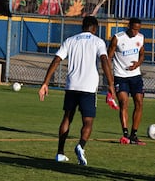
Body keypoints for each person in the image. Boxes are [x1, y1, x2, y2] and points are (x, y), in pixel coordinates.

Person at [38, 16, 115, 166]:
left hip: (72, 86)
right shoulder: (98, 42)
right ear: (95, 28)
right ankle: (81, 146)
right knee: (88, 121)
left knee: (67, 117)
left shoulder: (70, 40)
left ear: (82, 27)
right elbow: (105, 60)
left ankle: (60, 153)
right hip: (88, 88)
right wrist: (111, 84)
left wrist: (45, 83)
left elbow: (56, 60)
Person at [107, 18, 145, 145]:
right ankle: (125, 134)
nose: (135, 32)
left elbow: (142, 54)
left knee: (139, 102)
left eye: (138, 29)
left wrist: (138, 64)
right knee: (124, 103)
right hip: (120, 76)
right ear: (129, 26)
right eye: (134, 29)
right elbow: (108, 58)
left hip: (136, 76)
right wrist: (110, 79)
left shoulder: (140, 38)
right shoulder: (118, 38)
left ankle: (134, 134)